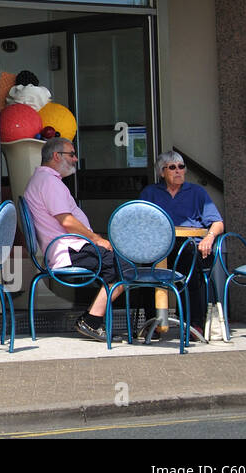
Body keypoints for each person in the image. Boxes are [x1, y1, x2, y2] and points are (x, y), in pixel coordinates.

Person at [23, 137, 124, 342]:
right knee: (123, 268)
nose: (76, 159)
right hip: (69, 250)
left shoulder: (43, 180)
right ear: (56, 156)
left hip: (67, 248)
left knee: (118, 265)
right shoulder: (49, 182)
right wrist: (97, 239)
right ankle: (91, 321)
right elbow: (67, 221)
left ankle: (93, 319)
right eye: (72, 154)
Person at [140, 150, 225, 331]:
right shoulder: (150, 193)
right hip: (159, 247)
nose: (178, 171)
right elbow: (139, 223)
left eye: (181, 167)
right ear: (162, 172)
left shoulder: (197, 192)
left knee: (190, 263)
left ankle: (193, 323)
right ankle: (151, 323)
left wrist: (209, 238)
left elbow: (217, 223)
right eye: (172, 167)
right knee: (146, 271)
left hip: (190, 245)